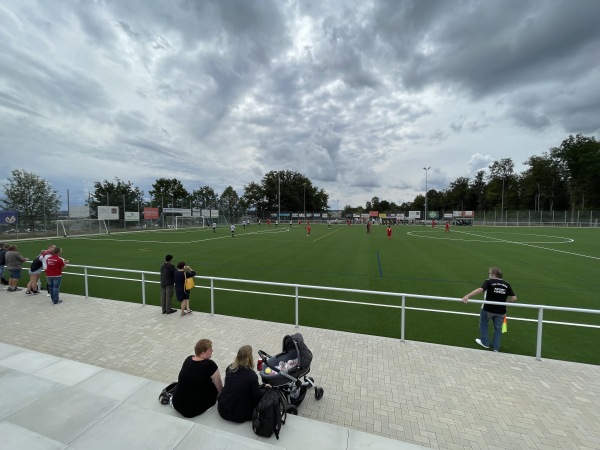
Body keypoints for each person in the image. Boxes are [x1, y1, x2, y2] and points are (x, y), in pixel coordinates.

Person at [462, 267, 517, 352]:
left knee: (483, 325)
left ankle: (485, 343)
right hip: (501, 311)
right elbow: (514, 298)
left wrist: (467, 296)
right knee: (498, 329)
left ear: (493, 275)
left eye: (489, 273)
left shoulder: (489, 281)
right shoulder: (507, 284)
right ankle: (496, 347)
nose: (489, 275)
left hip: (487, 309)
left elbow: (480, 290)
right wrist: (507, 302)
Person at [172, 339, 223, 418]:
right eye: (210, 350)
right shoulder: (210, 365)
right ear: (203, 353)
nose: (212, 350)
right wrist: (222, 395)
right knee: (214, 388)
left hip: (176, 402)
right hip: (191, 410)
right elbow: (218, 382)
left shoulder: (188, 359)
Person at [218, 345, 267, 423]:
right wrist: (265, 390)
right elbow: (257, 397)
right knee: (265, 392)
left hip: (223, 409)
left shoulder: (230, 368)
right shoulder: (251, 376)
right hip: (239, 415)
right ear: (249, 358)